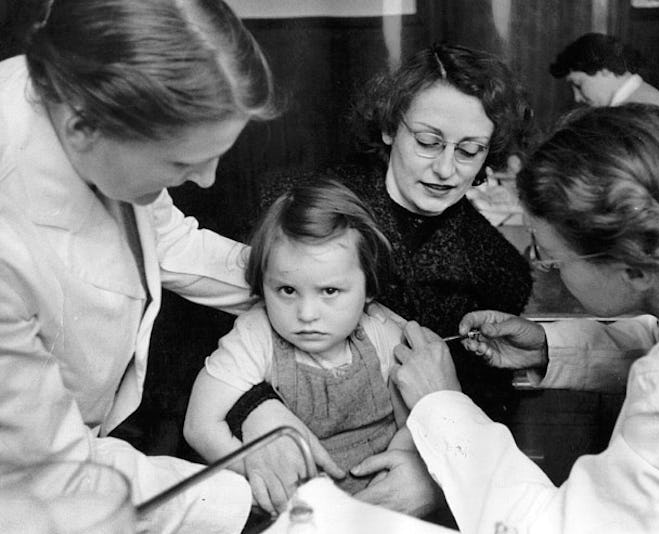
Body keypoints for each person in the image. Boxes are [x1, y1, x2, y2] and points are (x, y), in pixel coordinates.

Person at [391, 104, 659, 532]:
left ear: (634, 269)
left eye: (554, 257)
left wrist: (441, 405)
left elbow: (548, 528)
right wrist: (550, 347)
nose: (547, 267)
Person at [0, 0, 279, 532]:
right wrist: (247, 502)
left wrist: (297, 280)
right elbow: (53, 474)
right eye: (181, 162)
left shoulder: (89, 112)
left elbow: (166, 240)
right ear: (83, 128)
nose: (208, 180)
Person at [230, 42, 534, 518]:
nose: (446, 169)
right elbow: (207, 339)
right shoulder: (292, 202)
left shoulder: (499, 270)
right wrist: (251, 408)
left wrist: (435, 474)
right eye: (429, 142)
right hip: (269, 482)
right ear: (391, 127)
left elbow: (488, 410)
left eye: (469, 151)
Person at [184, 179, 416, 513]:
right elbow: (200, 425)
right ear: (263, 283)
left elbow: (411, 423)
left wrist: (391, 474)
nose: (306, 315)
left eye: (330, 292)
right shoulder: (255, 335)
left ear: (368, 289)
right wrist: (256, 474)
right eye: (287, 291)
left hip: (377, 505)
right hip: (292, 511)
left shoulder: (382, 333)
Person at [550, 32, 659, 121]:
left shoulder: (638, 109)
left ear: (604, 70)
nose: (576, 97)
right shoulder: (637, 98)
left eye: (578, 85)